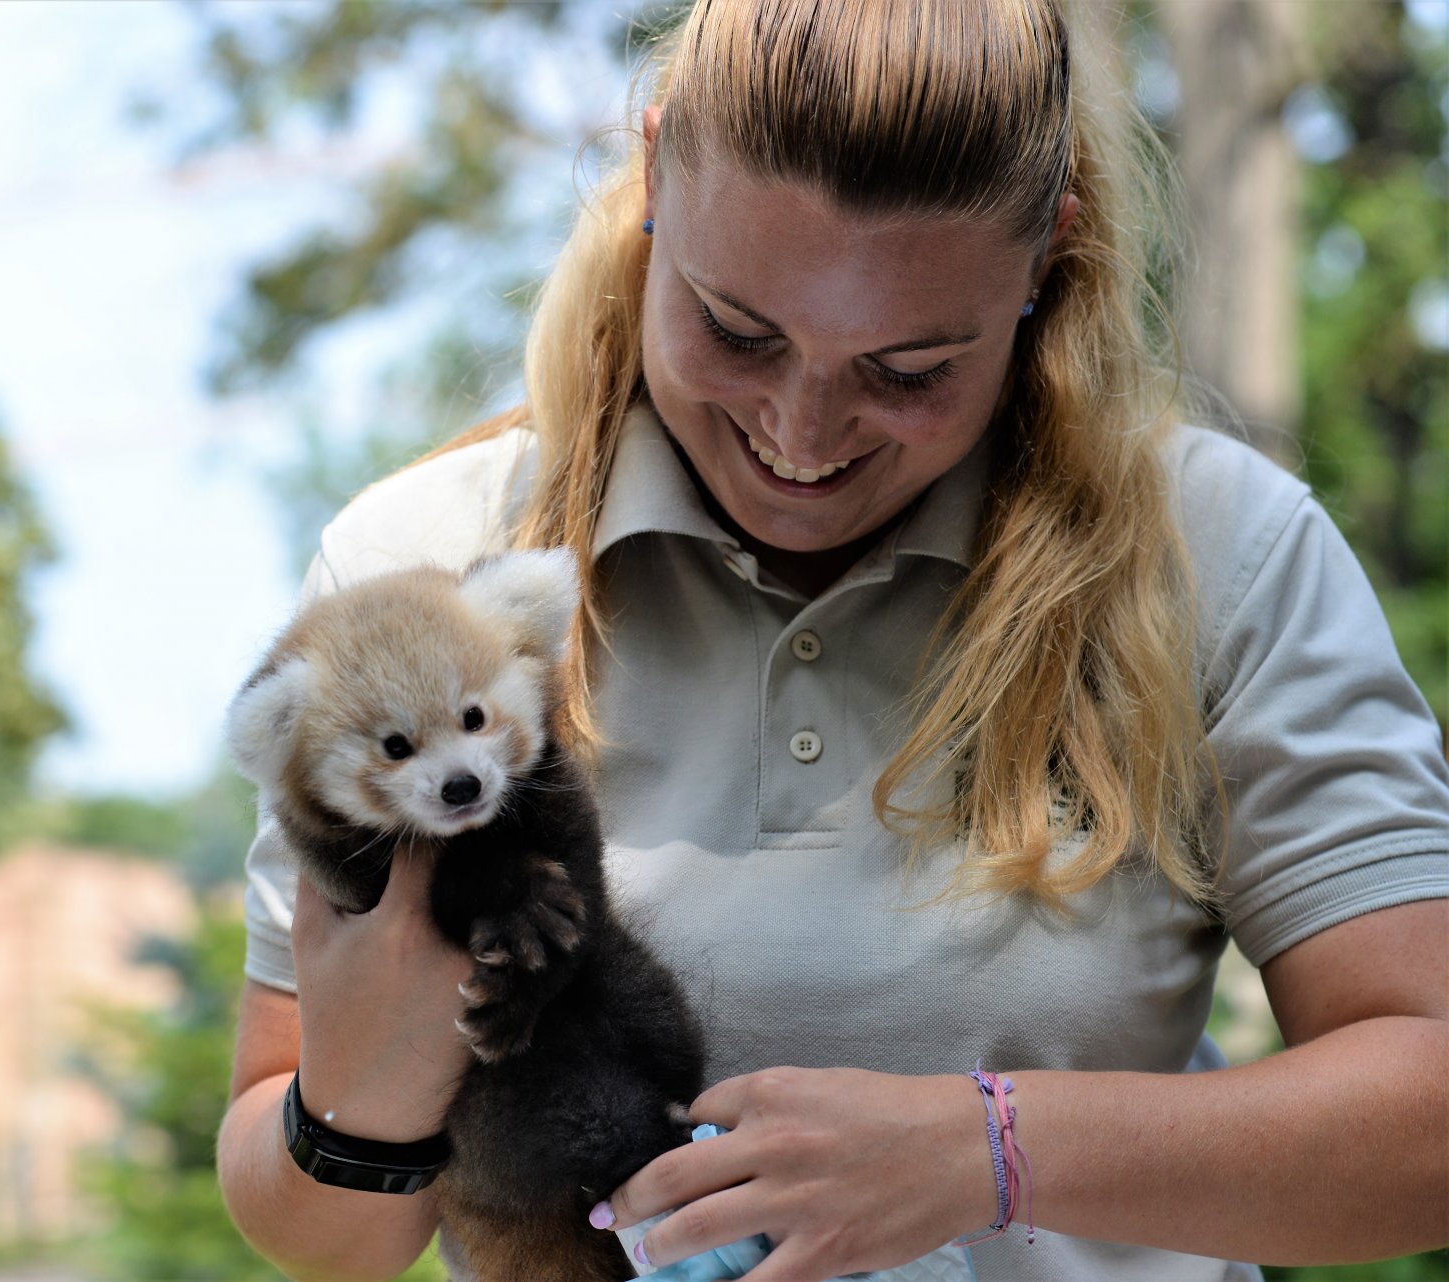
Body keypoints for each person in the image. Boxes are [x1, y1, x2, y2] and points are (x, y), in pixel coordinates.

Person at [214, 1, 1449, 1279]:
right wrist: (374, 1091)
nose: (804, 436)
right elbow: (312, 1226)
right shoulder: (425, 597)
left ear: (1046, 260)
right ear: (655, 179)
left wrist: (989, 1151)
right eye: (738, 334)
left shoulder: (1222, 549)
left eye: (910, 369)